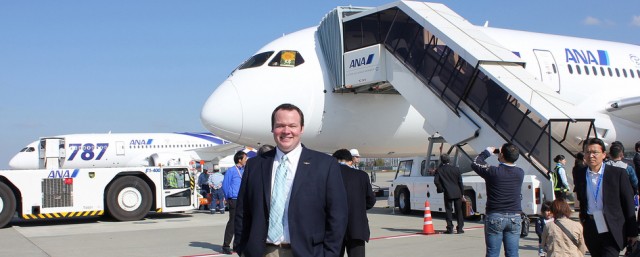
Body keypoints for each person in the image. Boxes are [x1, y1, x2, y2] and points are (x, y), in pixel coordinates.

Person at [234, 103, 348, 257]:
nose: (286, 131)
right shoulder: (255, 165)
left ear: (301, 128)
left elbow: (337, 215)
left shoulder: (325, 165)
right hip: (262, 252)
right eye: (280, 125)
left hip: (308, 252)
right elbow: (243, 210)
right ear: (273, 129)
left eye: (292, 125)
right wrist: (241, 249)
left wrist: (330, 254)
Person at [574, 138, 638, 257]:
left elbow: (628, 203)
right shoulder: (580, 173)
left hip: (612, 227)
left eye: (595, 152)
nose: (591, 155)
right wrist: (584, 220)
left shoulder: (617, 174)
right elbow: (582, 199)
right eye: (587, 152)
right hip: (591, 226)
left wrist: (633, 232)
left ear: (604, 154)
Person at [471, 143, 525, 257]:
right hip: (515, 216)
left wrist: (487, 152)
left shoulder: (493, 172)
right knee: (513, 253)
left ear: (502, 155)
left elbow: (475, 163)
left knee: (493, 253)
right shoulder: (520, 173)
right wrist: (501, 154)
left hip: (495, 215)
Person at [332, 149, 376, 257]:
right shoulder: (362, 176)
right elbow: (371, 200)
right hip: (357, 228)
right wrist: (359, 208)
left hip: (334, 229)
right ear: (350, 161)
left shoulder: (329, 175)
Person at [221, 150, 247, 254]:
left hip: (243, 199)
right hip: (234, 199)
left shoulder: (245, 170)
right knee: (232, 222)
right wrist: (228, 198)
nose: (246, 160)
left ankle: (237, 244)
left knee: (241, 223)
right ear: (239, 160)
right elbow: (225, 185)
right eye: (245, 158)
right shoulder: (231, 171)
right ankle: (226, 245)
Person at [434, 153, 465, 234]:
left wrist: (441, 189)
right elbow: (460, 182)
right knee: (459, 211)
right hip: (457, 192)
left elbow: (436, 181)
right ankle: (460, 228)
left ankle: (450, 228)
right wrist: (462, 193)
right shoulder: (456, 169)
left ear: (441, 160)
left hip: (448, 193)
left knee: (448, 210)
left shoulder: (439, 170)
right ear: (449, 160)